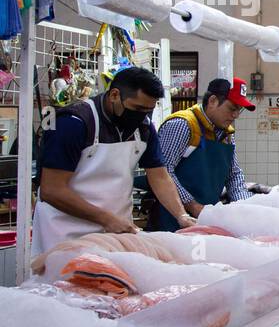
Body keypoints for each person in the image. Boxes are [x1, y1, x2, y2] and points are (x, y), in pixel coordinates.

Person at [33, 66, 195, 255]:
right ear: (114, 95)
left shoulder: (143, 128)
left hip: (116, 233)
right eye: (137, 108)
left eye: (148, 110)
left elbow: (159, 176)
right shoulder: (73, 122)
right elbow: (52, 190)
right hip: (64, 234)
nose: (143, 116)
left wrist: (181, 215)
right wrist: (106, 219)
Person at [149, 77, 255, 231]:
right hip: (171, 219)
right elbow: (163, 172)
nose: (236, 115)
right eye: (232, 108)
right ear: (212, 101)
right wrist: (192, 205)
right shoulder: (182, 125)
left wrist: (243, 209)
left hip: (204, 218)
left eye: (239, 110)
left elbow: (234, 175)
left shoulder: (226, 135)